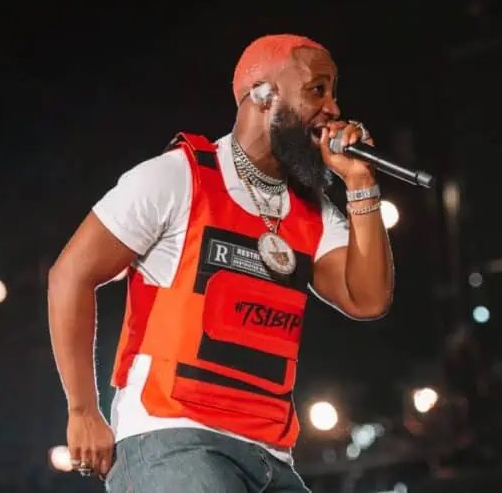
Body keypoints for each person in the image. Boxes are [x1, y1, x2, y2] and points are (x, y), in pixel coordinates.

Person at [47, 33, 395, 493]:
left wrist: (360, 182)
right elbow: (70, 274)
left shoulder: (312, 212)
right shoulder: (177, 177)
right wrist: (82, 411)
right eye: (317, 89)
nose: (333, 108)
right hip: (172, 437)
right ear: (263, 94)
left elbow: (367, 299)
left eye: (333, 93)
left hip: (272, 456)